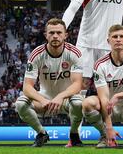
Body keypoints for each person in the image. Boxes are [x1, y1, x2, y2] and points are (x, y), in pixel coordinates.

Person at [15, 18, 83, 147]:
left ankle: (74, 134)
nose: (55, 36)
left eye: (59, 32)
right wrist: (42, 99)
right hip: (45, 100)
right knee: (20, 104)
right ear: (46, 35)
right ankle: (41, 133)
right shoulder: (36, 54)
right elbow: (27, 87)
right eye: (51, 33)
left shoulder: (74, 53)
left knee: (79, 103)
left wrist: (60, 96)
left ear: (65, 35)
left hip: (66, 99)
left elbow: (77, 84)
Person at [82, 25, 123, 148]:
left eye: (121, 36)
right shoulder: (100, 65)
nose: (118, 39)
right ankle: (104, 134)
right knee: (87, 103)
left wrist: (118, 95)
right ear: (108, 41)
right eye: (114, 37)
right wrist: (109, 127)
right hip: (108, 108)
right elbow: (103, 97)